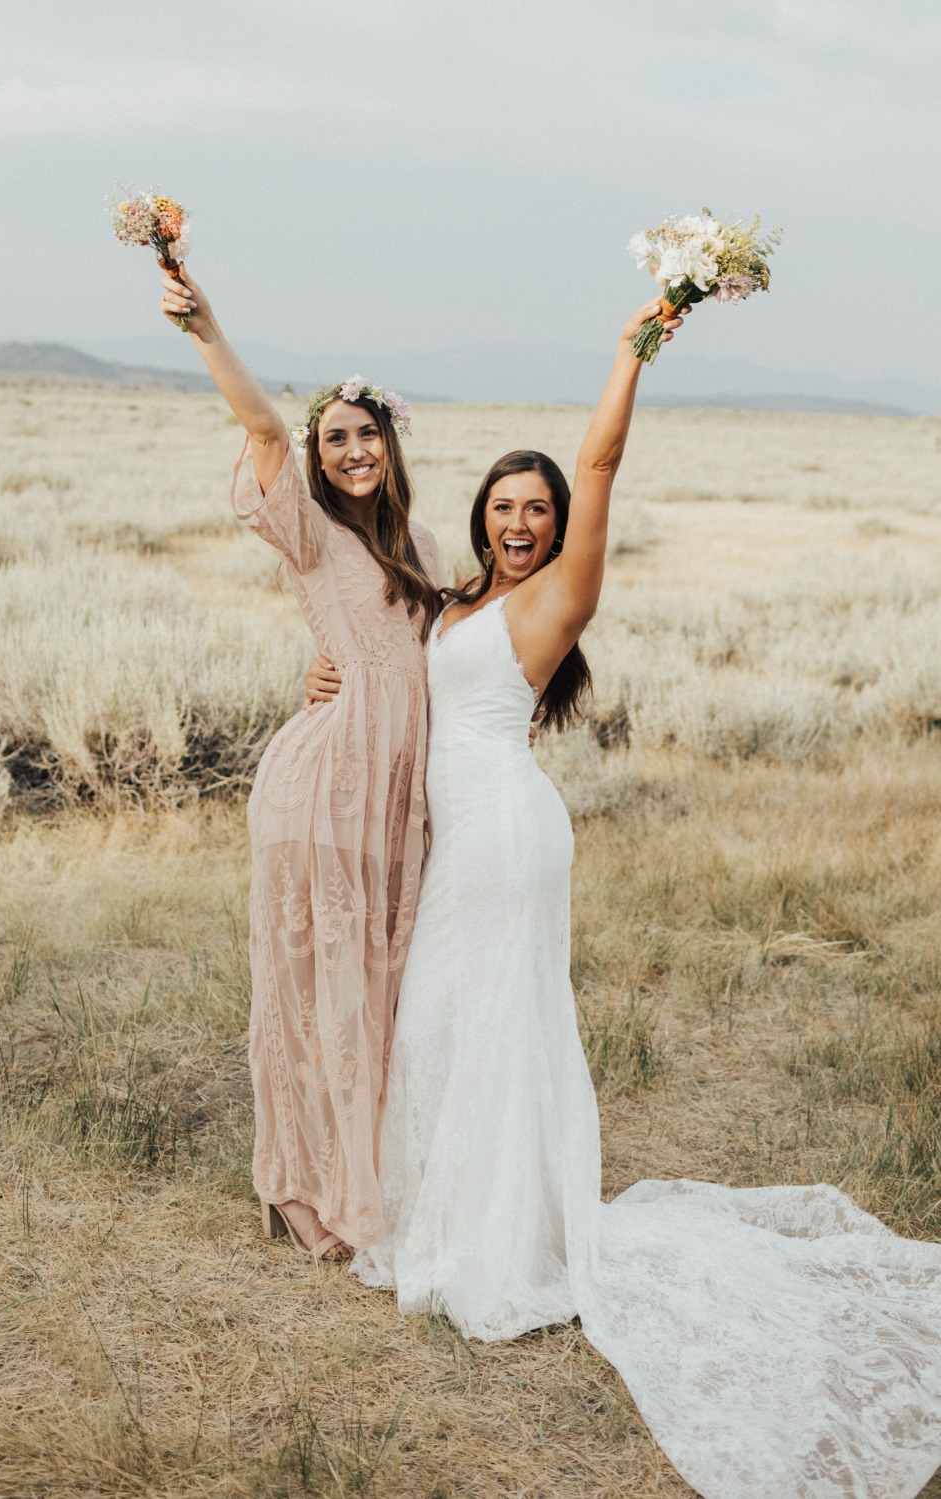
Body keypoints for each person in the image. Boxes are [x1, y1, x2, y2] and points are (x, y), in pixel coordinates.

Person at [320, 298, 939, 1497]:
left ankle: (496, 1247)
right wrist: (327, 665)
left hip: (505, 832)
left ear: (558, 528)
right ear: (481, 520)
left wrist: (631, 348)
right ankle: (464, 1215)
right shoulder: (464, 603)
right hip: (474, 834)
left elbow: (600, 454)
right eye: (502, 507)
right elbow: (396, 661)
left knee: (486, 1014)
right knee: (450, 1014)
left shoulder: (560, 598)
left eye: (535, 510)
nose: (517, 522)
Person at [158, 266, 445, 1259]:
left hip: (394, 794)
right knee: (315, 985)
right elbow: (264, 432)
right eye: (338, 438)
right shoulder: (310, 530)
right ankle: (299, 1188)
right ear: (320, 456)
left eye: (369, 434)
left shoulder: (420, 542)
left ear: (391, 443)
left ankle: (365, 1166)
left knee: (373, 984)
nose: (355, 450)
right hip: (323, 784)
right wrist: (208, 329)